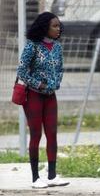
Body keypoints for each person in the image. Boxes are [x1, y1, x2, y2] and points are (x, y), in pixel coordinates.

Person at [17, 12, 69, 188]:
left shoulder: (57, 47)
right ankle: (35, 178)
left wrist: (56, 83)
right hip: (33, 96)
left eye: (59, 25)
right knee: (36, 135)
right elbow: (22, 72)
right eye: (55, 26)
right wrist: (38, 85)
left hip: (50, 96)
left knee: (52, 134)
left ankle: (52, 176)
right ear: (44, 27)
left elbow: (60, 68)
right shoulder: (32, 46)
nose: (58, 29)